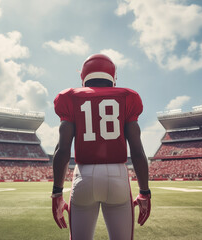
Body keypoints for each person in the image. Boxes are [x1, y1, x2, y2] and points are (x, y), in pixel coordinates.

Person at [51, 53, 151, 240]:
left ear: (84, 77)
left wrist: (57, 192)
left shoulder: (70, 97)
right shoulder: (128, 97)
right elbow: (137, 151)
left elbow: (62, 150)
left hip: (83, 176)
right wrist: (145, 191)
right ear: (113, 77)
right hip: (117, 176)